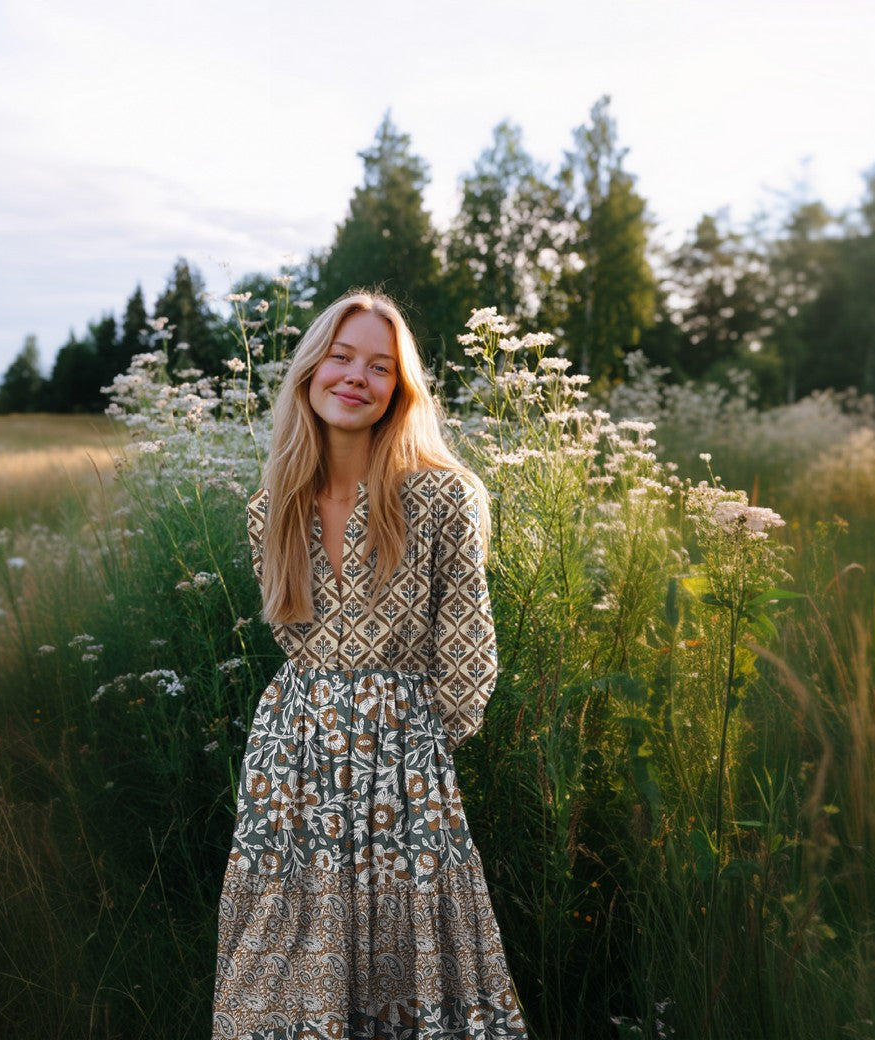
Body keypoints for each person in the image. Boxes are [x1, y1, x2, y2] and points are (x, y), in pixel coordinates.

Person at [212, 290, 528, 1039]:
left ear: (398, 390)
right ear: (309, 371)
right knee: (281, 960)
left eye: (380, 366)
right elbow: (295, 644)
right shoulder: (273, 509)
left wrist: (411, 749)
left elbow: (469, 651)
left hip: (405, 762)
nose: (356, 376)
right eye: (341, 356)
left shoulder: (443, 497)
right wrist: (324, 731)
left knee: (406, 956)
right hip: (291, 759)